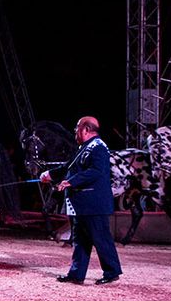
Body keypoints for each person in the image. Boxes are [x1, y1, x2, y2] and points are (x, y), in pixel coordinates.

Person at [40, 116, 122, 285]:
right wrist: (49, 174)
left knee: (101, 239)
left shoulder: (99, 148)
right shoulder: (84, 148)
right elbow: (67, 167)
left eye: (77, 128)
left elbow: (96, 171)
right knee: (80, 240)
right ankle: (76, 274)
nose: (74, 132)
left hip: (94, 203)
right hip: (82, 204)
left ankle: (112, 272)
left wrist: (71, 181)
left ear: (85, 129)